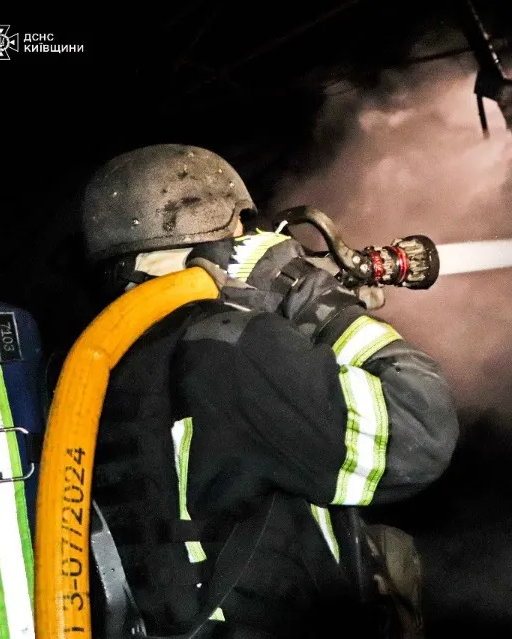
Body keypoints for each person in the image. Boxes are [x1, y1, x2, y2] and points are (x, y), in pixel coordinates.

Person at [80, 143, 459, 638]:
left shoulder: (94, 372)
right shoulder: (229, 349)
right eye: (246, 231)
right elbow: (420, 431)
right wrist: (317, 303)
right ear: (227, 232)